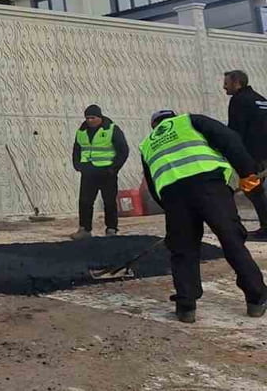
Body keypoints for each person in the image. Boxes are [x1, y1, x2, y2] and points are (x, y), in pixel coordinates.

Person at [140, 110, 266, 323]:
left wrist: (171, 208)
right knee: (231, 239)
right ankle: (256, 298)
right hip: (209, 186)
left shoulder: (147, 143)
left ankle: (186, 306)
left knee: (183, 249)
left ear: (154, 125)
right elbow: (229, 139)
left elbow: (152, 184)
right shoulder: (190, 120)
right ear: (173, 116)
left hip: (173, 195)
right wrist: (247, 172)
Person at [70, 104, 129, 240]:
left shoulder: (112, 129)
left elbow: (123, 150)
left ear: (100, 117)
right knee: (85, 202)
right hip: (88, 172)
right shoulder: (81, 132)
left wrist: (113, 168)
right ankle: (84, 229)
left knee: (109, 201)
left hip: (107, 172)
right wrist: (78, 165)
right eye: (87, 118)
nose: (89, 120)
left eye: (93, 117)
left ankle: (111, 229)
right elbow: (77, 149)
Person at [223, 70, 267, 240]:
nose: (224, 87)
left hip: (252, 155)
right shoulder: (260, 99)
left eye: (226, 83)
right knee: (256, 190)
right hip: (263, 154)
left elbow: (235, 131)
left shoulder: (239, 100)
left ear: (237, 83)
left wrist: (230, 154)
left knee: (253, 190)